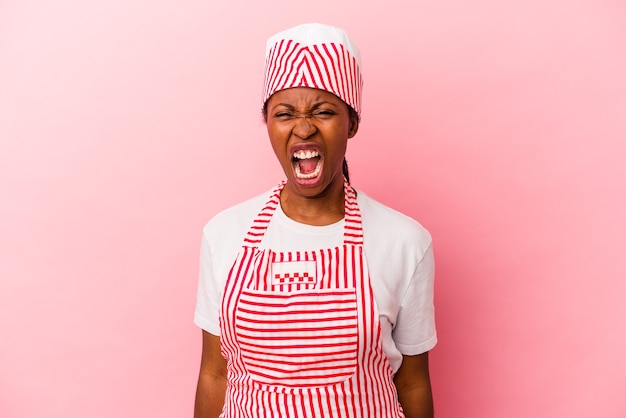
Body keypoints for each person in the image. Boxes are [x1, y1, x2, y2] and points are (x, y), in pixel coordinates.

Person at [194, 23, 436, 418]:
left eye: (323, 112)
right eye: (285, 113)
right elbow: (214, 373)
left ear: (351, 123)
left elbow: (411, 381)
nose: (303, 128)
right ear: (268, 123)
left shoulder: (405, 241)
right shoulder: (223, 234)